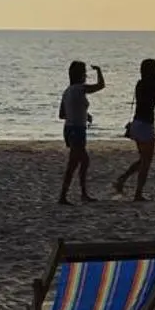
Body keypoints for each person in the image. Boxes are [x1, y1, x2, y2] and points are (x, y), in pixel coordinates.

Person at [115, 58, 155, 201]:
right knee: (146, 162)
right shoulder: (154, 84)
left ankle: (122, 180)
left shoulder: (140, 84)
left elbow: (146, 98)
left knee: (143, 159)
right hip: (147, 125)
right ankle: (137, 193)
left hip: (136, 123)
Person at [57, 60, 103, 204]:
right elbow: (100, 86)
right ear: (80, 74)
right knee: (78, 162)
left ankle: (79, 194)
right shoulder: (80, 88)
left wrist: (83, 113)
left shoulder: (68, 91)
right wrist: (99, 70)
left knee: (79, 161)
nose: (86, 75)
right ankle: (67, 196)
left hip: (70, 129)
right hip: (76, 129)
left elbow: (62, 114)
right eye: (85, 72)